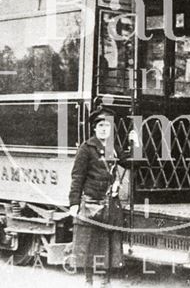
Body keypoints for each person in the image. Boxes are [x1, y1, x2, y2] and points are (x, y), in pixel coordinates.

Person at [68, 107, 138, 287]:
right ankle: (88, 281)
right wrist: (74, 203)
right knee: (89, 244)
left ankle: (105, 281)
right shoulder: (87, 148)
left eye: (107, 125)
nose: (104, 129)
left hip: (109, 204)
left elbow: (131, 163)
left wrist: (135, 144)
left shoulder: (112, 148)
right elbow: (77, 177)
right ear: (94, 128)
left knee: (108, 243)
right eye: (101, 125)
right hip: (92, 202)